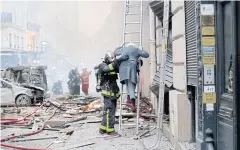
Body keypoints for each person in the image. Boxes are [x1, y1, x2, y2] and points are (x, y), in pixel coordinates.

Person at [94, 51, 128, 136]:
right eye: (112, 60)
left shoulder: (113, 65)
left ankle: (103, 128)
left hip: (112, 91)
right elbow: (107, 69)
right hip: (107, 91)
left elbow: (118, 69)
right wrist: (117, 60)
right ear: (107, 59)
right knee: (110, 110)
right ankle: (110, 130)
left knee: (108, 110)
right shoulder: (103, 66)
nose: (113, 62)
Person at [116, 43, 149, 112]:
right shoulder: (136, 49)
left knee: (128, 84)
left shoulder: (123, 49)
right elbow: (146, 55)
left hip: (122, 69)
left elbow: (116, 52)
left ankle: (128, 100)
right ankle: (133, 106)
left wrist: (120, 47)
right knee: (132, 86)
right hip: (131, 68)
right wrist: (141, 50)